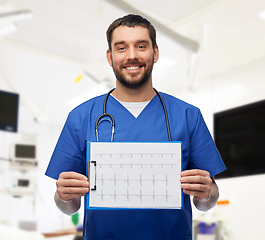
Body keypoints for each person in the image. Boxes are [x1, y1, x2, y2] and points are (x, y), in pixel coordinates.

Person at [45, 14, 226, 240]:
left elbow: (208, 200)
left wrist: (206, 193)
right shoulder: (81, 118)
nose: (132, 55)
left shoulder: (188, 116)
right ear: (110, 57)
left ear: (155, 52)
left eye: (141, 46)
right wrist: (63, 196)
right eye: (121, 48)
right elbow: (68, 206)